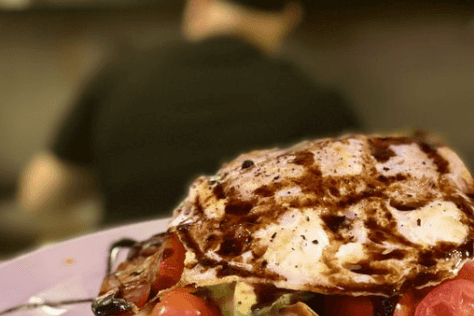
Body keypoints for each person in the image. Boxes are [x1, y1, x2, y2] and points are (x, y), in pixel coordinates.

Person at [17, 0, 361, 228]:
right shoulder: (320, 101)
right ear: (289, 17)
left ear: (198, 6)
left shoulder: (119, 74)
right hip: (246, 302)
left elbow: (40, 197)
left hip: (122, 277)